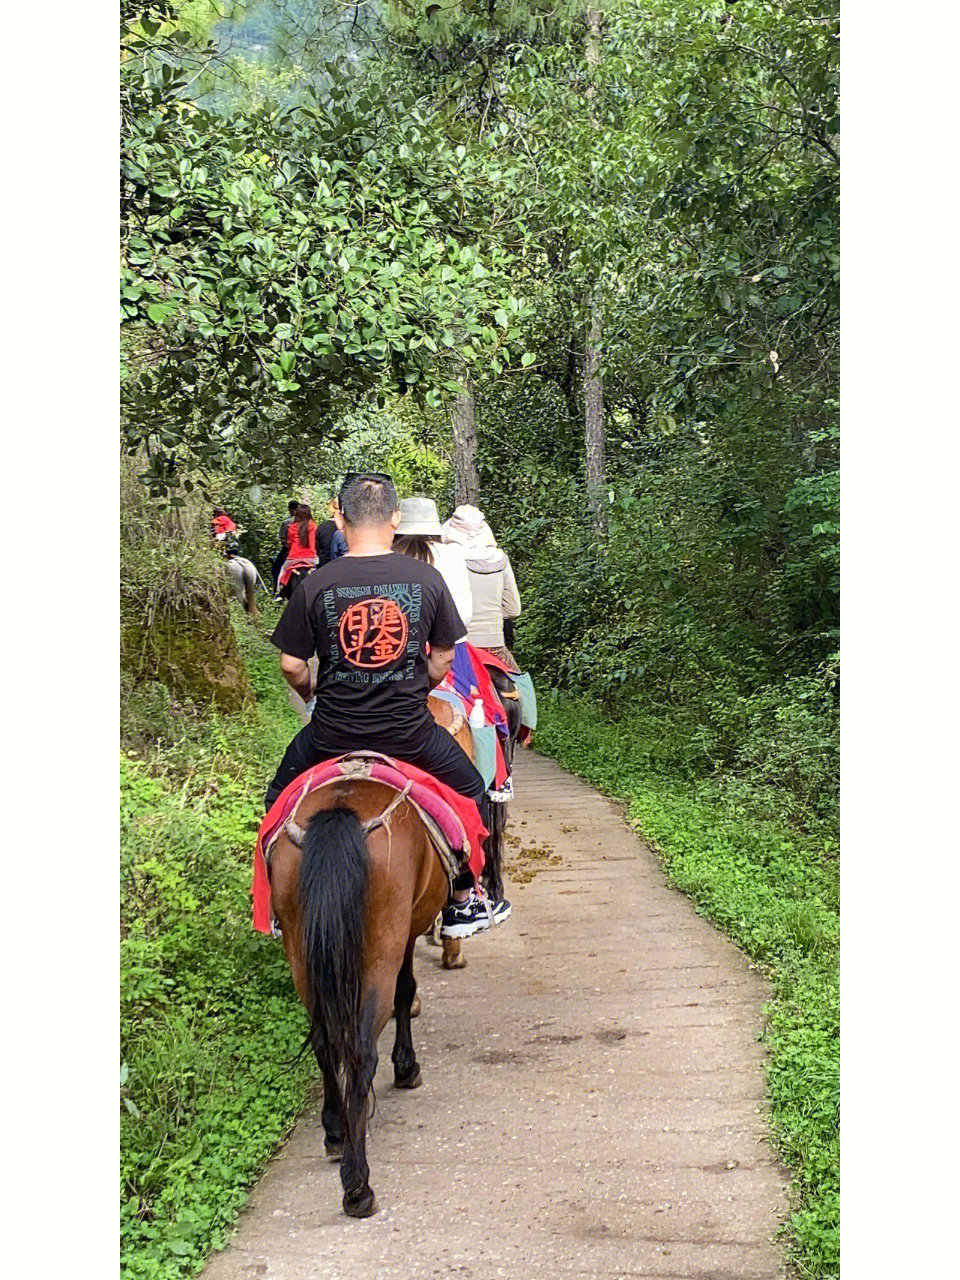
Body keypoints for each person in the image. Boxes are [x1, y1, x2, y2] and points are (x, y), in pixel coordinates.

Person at [266, 473, 508, 938]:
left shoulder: (317, 583)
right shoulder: (426, 579)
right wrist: (423, 685)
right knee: (472, 794)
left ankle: (280, 907)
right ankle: (463, 899)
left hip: (329, 735)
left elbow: (292, 665)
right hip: (410, 736)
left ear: (338, 516)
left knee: (277, 802)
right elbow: (442, 656)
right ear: (395, 519)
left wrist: (312, 693)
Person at [440, 504, 521, 670]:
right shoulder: (500, 558)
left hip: (459, 648)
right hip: (495, 647)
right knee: (522, 688)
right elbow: (513, 610)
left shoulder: (447, 557)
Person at [393, 496, 473, 631]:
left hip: (403, 641)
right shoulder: (452, 555)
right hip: (450, 643)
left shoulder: (391, 556)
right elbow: (464, 613)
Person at [276, 503, 318, 598]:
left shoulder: (291, 527)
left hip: (293, 558)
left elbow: (290, 543)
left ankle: (279, 592)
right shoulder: (313, 526)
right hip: (311, 558)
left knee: (282, 571)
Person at [272, 500, 300, 590]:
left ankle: (278, 590)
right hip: (305, 550)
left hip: (290, 550)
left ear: (290, 509)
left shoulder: (286, 523)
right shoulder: (307, 521)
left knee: (276, 569)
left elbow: (283, 540)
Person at [315, 496, 339, 567]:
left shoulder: (322, 527)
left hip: (323, 565)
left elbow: (316, 547)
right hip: (340, 565)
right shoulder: (347, 528)